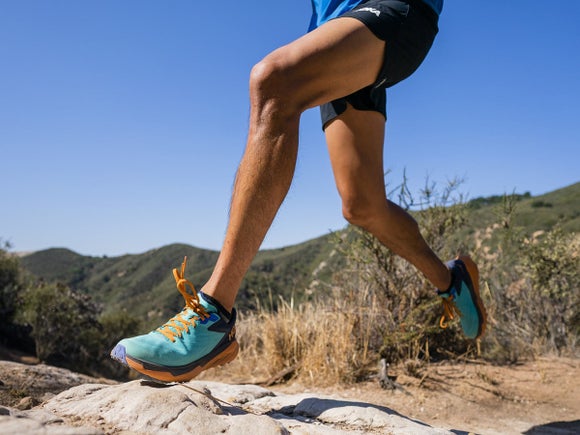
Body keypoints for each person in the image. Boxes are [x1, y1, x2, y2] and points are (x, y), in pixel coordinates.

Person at [111, 0, 487, 382]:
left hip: (393, 10)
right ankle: (452, 281)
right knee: (362, 205)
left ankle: (213, 315)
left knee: (275, 81)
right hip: (337, 25)